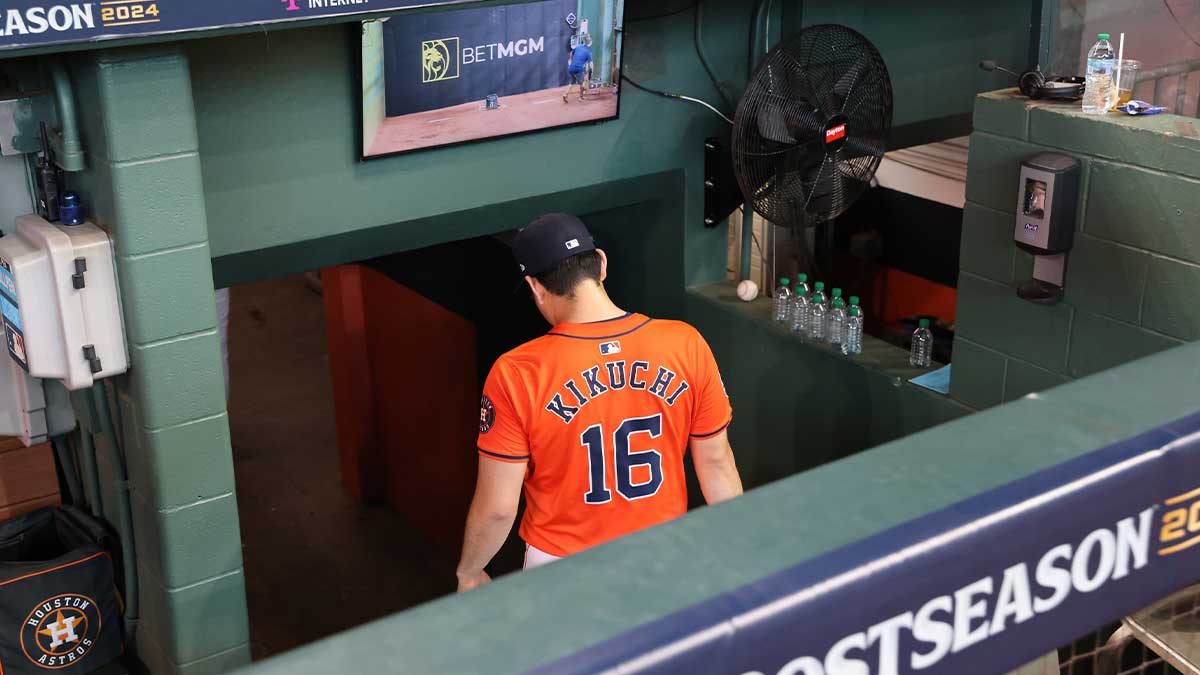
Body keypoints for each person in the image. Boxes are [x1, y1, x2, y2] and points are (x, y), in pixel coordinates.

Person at [456, 213, 744, 591]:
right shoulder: (684, 343)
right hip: (664, 554)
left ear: (536, 287)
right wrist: (741, 546)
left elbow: (497, 509)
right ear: (602, 264)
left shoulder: (517, 372)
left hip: (561, 566)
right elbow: (717, 464)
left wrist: (469, 571)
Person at [563, 35, 593, 103]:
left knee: (571, 83)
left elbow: (571, 53)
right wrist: (592, 70)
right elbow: (591, 63)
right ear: (590, 43)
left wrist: (570, 60)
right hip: (578, 68)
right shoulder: (588, 52)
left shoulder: (578, 47)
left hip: (571, 67)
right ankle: (581, 97)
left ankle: (565, 94)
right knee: (582, 83)